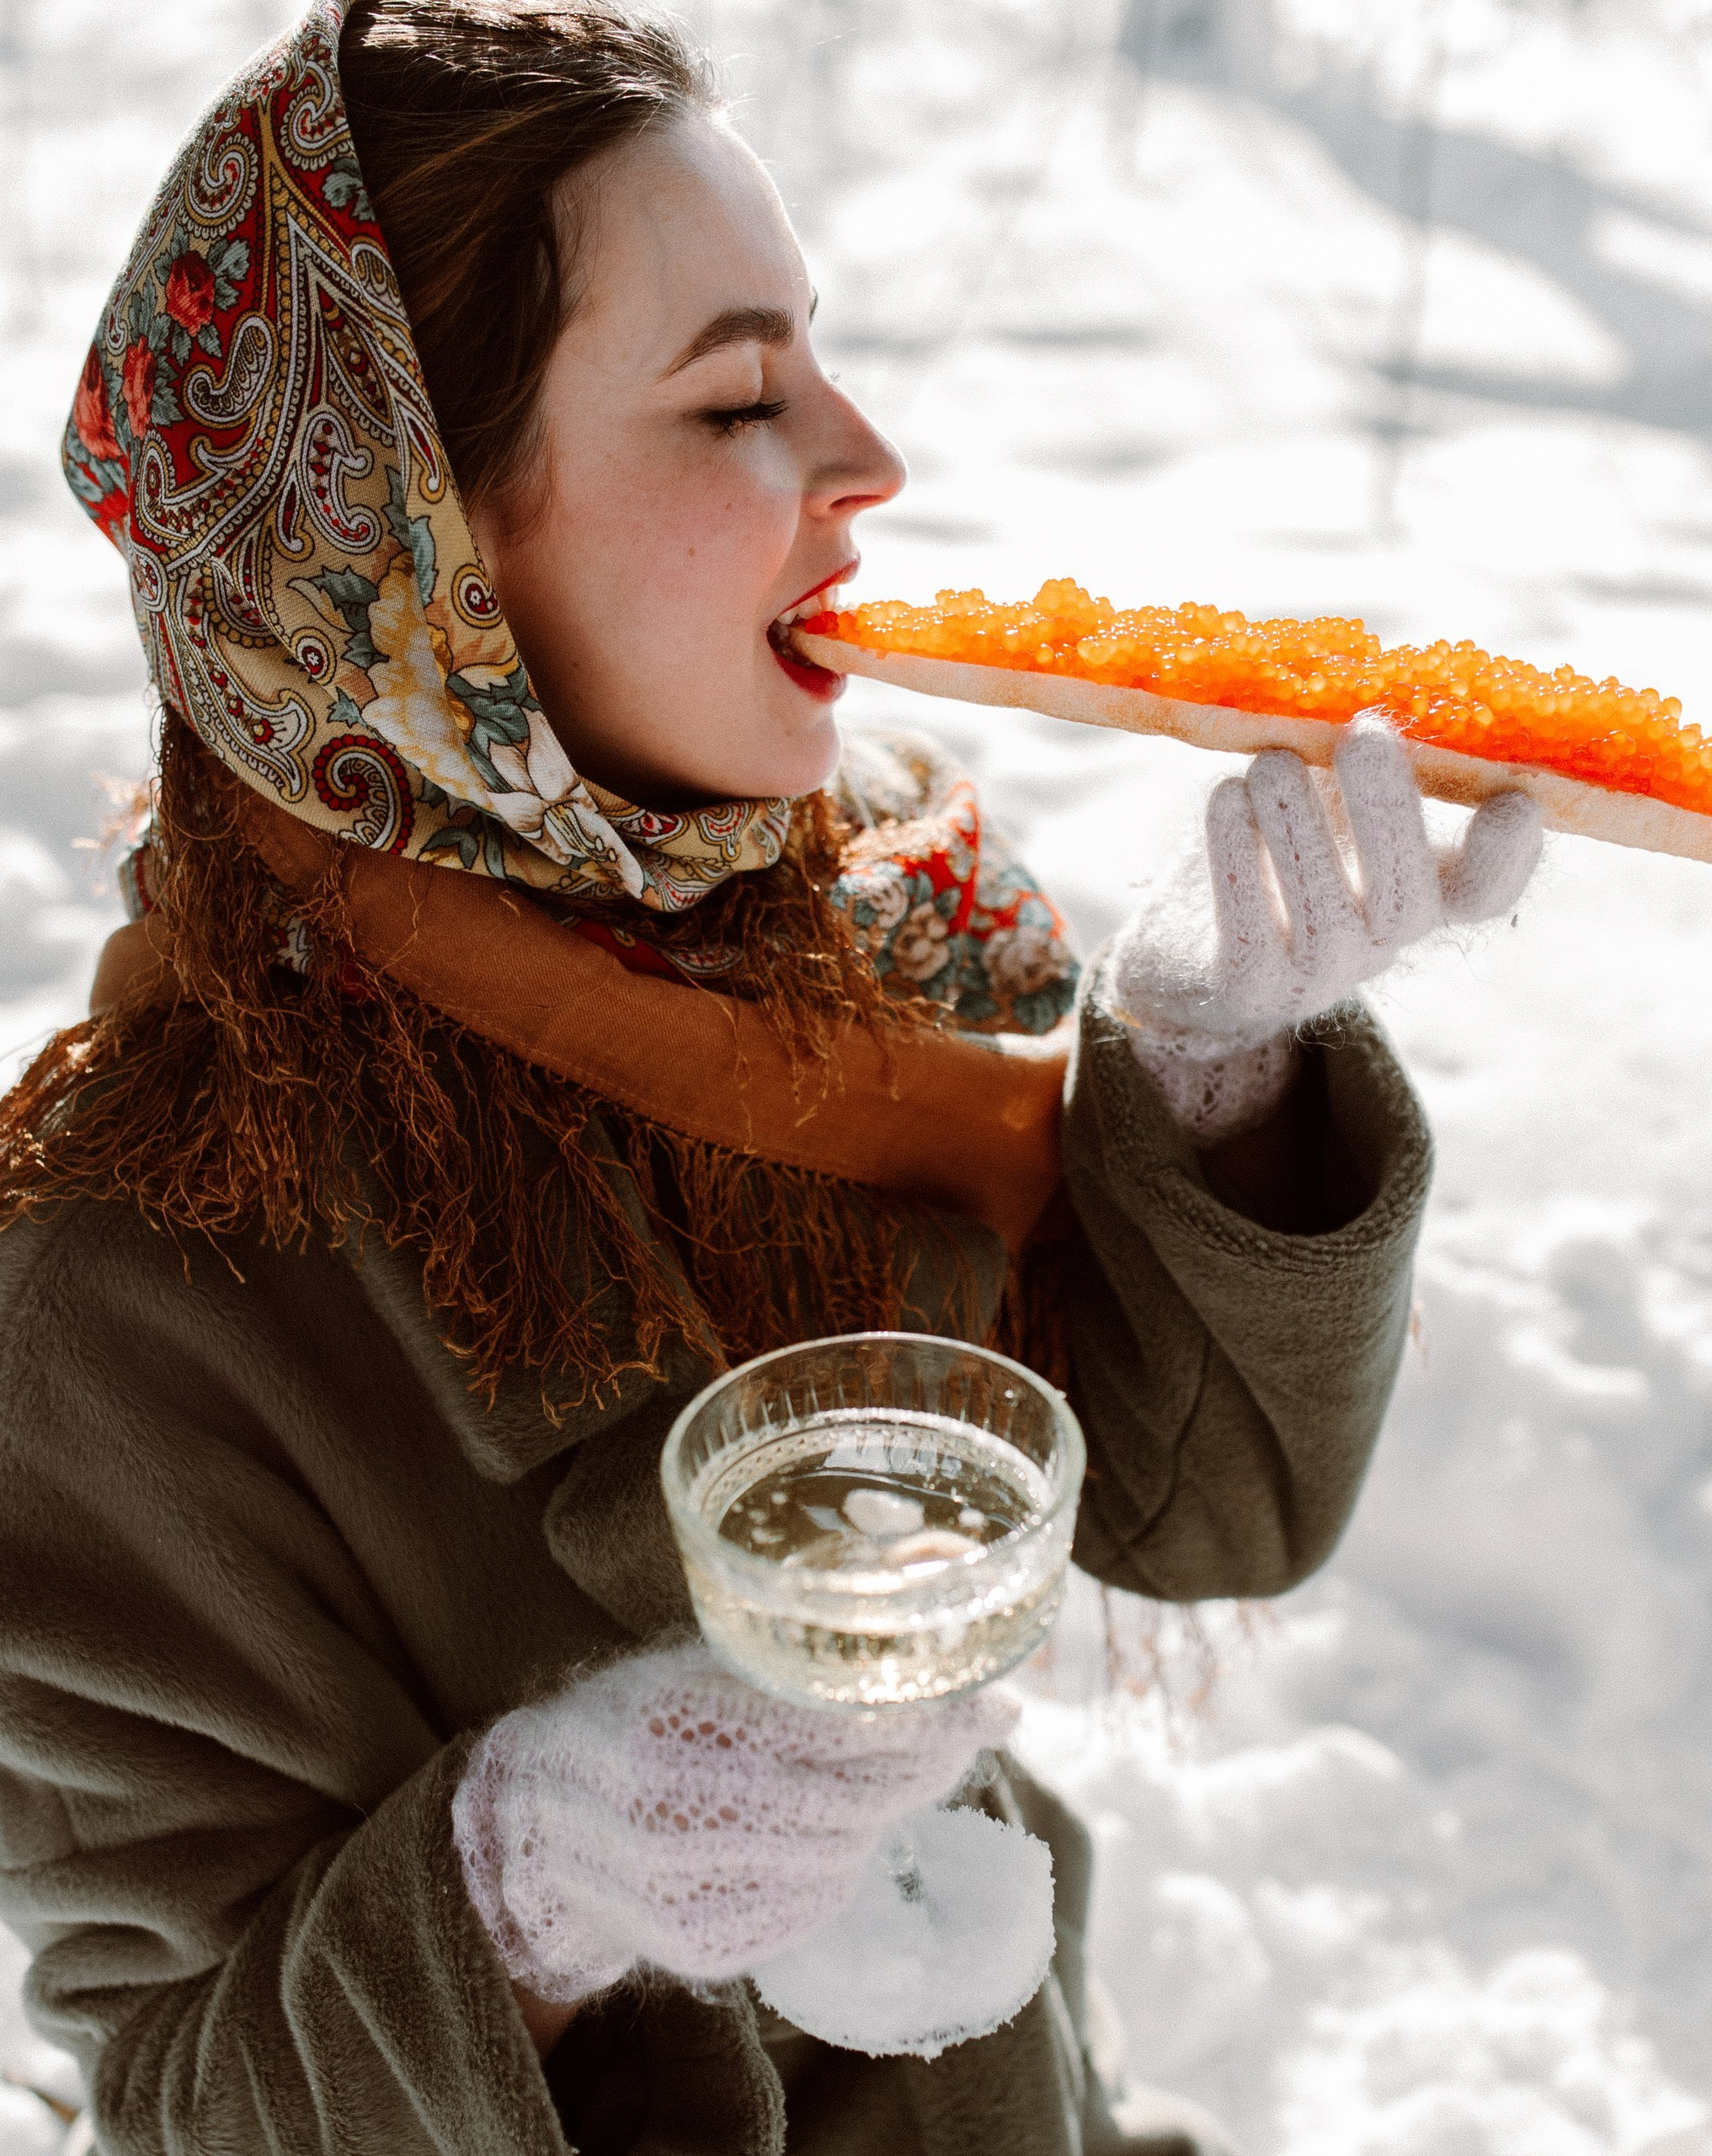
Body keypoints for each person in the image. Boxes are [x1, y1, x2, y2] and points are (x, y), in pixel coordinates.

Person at [0, 3, 1542, 2153]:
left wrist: (1211, 1077)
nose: (865, 453)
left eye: (813, 349)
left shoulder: (861, 941)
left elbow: (1213, 1518)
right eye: (738, 393)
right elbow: (174, 2095)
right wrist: (518, 1889)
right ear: (420, 559)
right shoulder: (118, 1290)